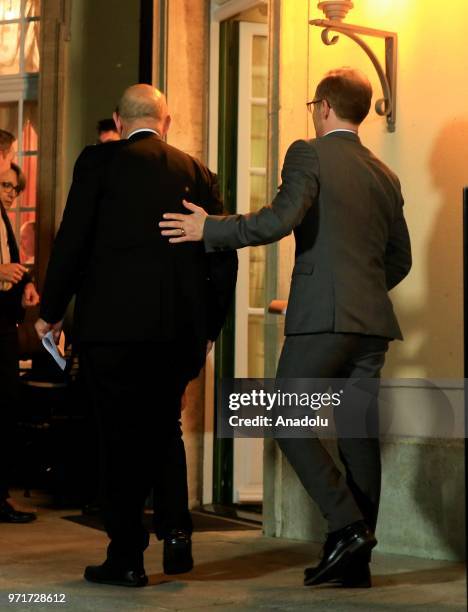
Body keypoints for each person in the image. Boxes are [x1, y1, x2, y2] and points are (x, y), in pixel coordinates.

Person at [160, 68, 412, 588]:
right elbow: (399, 260)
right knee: (358, 439)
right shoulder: (385, 174)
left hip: (326, 323)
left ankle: (347, 528)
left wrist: (210, 227)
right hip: (370, 328)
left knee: (281, 417)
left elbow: (279, 219)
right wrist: (348, 293)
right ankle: (355, 562)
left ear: (322, 107)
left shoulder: (309, 152)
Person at [35, 85, 238, 587]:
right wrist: (211, 326)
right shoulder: (197, 172)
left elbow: (72, 239)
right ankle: (176, 532)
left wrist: (52, 310)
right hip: (178, 332)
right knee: (163, 424)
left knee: (118, 438)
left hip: (112, 331)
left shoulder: (99, 164)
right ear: (166, 120)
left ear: (118, 121)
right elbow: (222, 255)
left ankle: (126, 556)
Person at [0, 136, 40, 523]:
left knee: (7, 408)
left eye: (14, 188)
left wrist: (24, 281)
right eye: (6, 184)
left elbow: (12, 261)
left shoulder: (4, 218)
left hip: (5, 324)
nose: (11, 193)